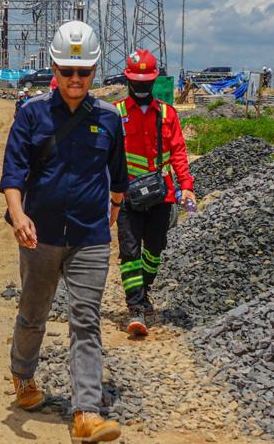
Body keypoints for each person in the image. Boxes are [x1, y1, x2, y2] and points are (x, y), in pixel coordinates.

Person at [1, 20, 127, 443]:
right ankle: (22, 375)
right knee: (34, 313)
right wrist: (18, 216)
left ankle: (86, 412)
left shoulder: (109, 119)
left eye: (84, 71)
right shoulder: (32, 114)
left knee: (86, 321)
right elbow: (13, 174)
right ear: (54, 69)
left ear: (94, 72)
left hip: (90, 237)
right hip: (40, 236)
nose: (76, 79)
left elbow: (119, 178)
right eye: (68, 71)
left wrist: (112, 209)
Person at [113, 49, 196, 337]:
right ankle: (135, 308)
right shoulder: (117, 114)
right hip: (128, 197)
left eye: (146, 82)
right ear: (128, 81)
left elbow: (179, 153)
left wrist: (186, 186)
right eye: (137, 82)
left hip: (162, 196)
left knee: (155, 249)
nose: (141, 88)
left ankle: (143, 288)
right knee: (129, 251)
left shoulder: (167, 113)